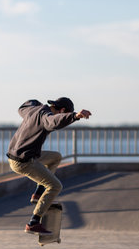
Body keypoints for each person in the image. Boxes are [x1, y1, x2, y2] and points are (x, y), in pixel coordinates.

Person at [7, 97, 92, 235]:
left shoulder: (33, 109)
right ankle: (33, 223)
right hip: (23, 162)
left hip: (19, 154)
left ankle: (38, 193)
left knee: (55, 157)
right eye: (63, 114)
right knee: (55, 186)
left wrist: (35, 102)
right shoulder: (47, 116)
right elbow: (54, 122)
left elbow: (22, 107)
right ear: (62, 111)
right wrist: (75, 116)